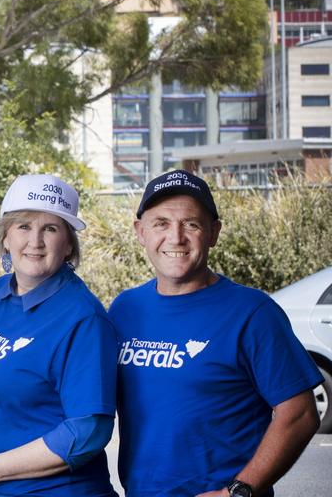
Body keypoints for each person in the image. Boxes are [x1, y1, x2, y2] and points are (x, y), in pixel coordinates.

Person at [109, 170, 321, 497]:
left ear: (213, 233)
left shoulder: (252, 313)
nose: (176, 237)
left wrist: (238, 491)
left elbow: (301, 413)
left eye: (191, 224)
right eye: (161, 223)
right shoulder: (125, 309)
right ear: (141, 232)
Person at [0, 174, 119, 496]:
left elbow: (88, 430)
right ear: (6, 237)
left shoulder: (83, 318)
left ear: (68, 246)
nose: (34, 241)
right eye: (23, 226)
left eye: (50, 229)